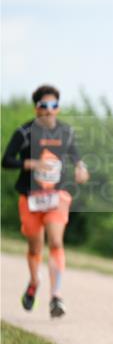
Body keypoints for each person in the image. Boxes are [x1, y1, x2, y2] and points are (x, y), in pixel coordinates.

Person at [2, 85, 89, 318]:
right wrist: (31, 165)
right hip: (30, 198)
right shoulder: (24, 133)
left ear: (58, 108)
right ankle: (34, 282)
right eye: (44, 106)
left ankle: (56, 297)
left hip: (56, 196)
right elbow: (6, 161)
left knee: (57, 242)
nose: (49, 111)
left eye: (54, 106)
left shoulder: (66, 132)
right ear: (36, 108)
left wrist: (81, 169)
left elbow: (77, 158)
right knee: (35, 247)